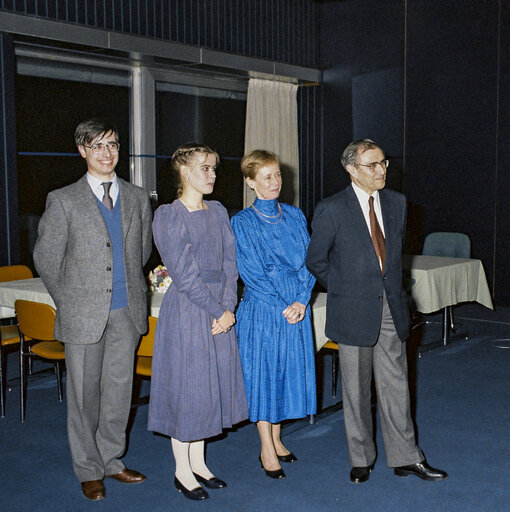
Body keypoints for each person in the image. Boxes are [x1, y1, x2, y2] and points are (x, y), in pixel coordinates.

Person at [306, 139, 447, 484]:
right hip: (352, 312)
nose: (382, 170)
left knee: (397, 386)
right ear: (351, 169)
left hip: (391, 309)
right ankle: (361, 458)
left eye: (384, 163)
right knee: (356, 390)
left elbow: (394, 260)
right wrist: (346, 290)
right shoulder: (332, 208)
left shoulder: (398, 203)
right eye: (372, 165)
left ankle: (406, 457)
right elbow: (316, 260)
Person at [33, 118, 152, 501]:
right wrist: (69, 300)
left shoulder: (136, 197)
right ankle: (88, 469)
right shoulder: (63, 199)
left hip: (127, 311)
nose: (107, 153)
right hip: (83, 314)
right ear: (82, 151)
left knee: (119, 393)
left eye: (112, 145)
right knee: (84, 397)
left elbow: (143, 253)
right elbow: (46, 258)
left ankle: (112, 461)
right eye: (97, 146)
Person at [148, 143, 249, 501]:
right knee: (189, 389)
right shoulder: (168, 215)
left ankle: (200, 463)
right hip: (190, 310)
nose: (212, 175)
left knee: (210, 388)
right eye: (204, 168)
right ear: (183, 172)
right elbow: (185, 275)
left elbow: (229, 264)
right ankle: (182, 469)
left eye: (214, 168)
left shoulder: (219, 210)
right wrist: (216, 311)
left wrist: (229, 307)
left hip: (220, 309)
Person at [231, 150, 317, 479]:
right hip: (265, 311)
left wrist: (301, 300)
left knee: (285, 375)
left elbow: (312, 259)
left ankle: (278, 439)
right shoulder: (241, 222)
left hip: (296, 308)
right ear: (251, 182)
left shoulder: (295, 216)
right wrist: (285, 304)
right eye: (266, 177)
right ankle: (266, 447)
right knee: (265, 377)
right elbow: (251, 273)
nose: (275, 182)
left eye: (278, 174)